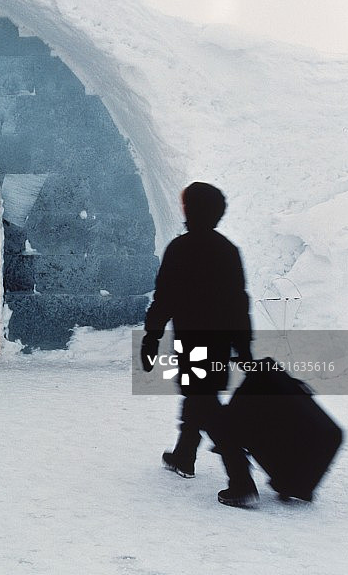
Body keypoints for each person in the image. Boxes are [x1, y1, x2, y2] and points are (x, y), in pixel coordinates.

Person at [141, 182, 258, 508]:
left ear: (191, 210)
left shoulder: (180, 249)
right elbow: (239, 303)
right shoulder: (228, 250)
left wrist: (151, 336)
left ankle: (240, 477)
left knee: (204, 402)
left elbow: (164, 299)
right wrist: (244, 348)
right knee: (200, 395)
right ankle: (184, 456)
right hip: (219, 344)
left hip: (193, 343)